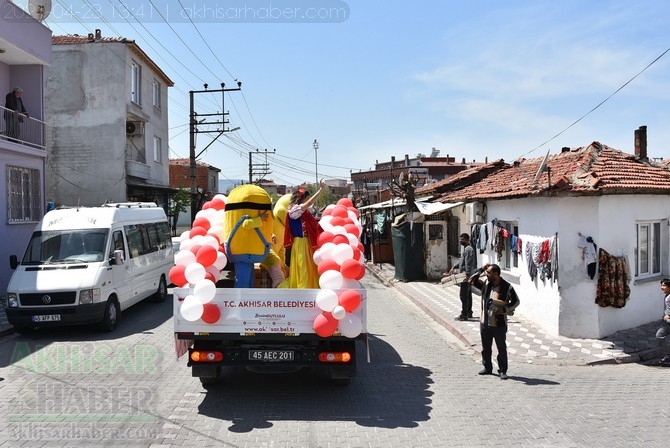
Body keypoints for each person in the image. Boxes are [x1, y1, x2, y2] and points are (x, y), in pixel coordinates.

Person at [470, 263, 520, 379]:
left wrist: (505, 309)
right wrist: (482, 269)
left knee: (501, 348)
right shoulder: (486, 284)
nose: (486, 274)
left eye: (488, 273)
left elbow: (516, 301)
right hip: (484, 322)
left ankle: (502, 370)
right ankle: (487, 367)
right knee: (485, 347)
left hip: (499, 324)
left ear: (496, 274)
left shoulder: (507, 287)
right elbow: (472, 280)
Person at [279, 180, 326, 289]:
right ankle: (303, 289)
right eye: (306, 197)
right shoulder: (295, 210)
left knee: (309, 267)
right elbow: (309, 203)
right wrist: (321, 189)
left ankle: (309, 287)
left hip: (306, 242)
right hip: (300, 243)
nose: (307, 200)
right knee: (303, 268)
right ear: (302, 198)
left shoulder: (302, 211)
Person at [445, 233, 476, 320]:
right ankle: (469, 312)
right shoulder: (466, 249)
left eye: (462, 239)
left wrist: (467, 275)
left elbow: (468, 263)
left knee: (463, 295)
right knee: (468, 294)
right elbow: (462, 262)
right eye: (460, 239)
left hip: (465, 276)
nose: (460, 241)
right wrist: (454, 267)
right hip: (465, 275)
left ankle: (464, 314)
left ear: (467, 240)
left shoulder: (469, 249)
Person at [657, 278, 670, 365]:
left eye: (664, 285)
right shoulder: (667, 296)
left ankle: (667, 356)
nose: (662, 287)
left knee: (660, 335)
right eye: (661, 285)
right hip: (667, 322)